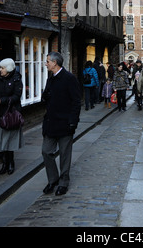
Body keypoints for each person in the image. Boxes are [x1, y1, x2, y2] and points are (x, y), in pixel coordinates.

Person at [42, 52, 81, 196]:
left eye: (47, 61)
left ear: (54, 63)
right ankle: (53, 179)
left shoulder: (69, 78)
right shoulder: (51, 78)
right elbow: (47, 97)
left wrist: (73, 122)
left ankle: (63, 182)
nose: (46, 64)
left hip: (65, 123)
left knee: (65, 154)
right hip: (51, 123)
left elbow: (76, 102)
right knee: (46, 151)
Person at [0, 58, 24, 175]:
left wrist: (1, 100)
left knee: (9, 140)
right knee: (1, 141)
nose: (0, 70)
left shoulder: (16, 80)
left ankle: (11, 163)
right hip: (0, 115)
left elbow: (16, 96)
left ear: (8, 69)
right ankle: (4, 164)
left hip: (10, 115)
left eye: (2, 68)